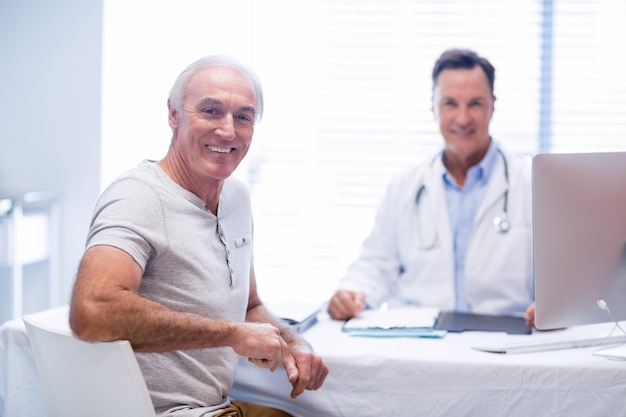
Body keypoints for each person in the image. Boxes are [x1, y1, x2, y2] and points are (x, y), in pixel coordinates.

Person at [69, 55, 328, 417]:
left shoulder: (236, 197)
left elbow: (250, 307)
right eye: (210, 111)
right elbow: (92, 312)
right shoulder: (137, 197)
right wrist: (231, 335)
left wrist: (293, 343)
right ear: (173, 114)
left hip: (215, 406)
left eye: (243, 117)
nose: (228, 130)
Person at [327, 48, 536, 327]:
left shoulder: (532, 184)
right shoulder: (405, 186)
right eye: (450, 103)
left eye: (475, 103)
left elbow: (563, 275)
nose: (462, 118)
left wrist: (551, 306)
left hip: (503, 336)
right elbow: (377, 265)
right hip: (420, 339)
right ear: (433, 106)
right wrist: (351, 293)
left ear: (493, 105)